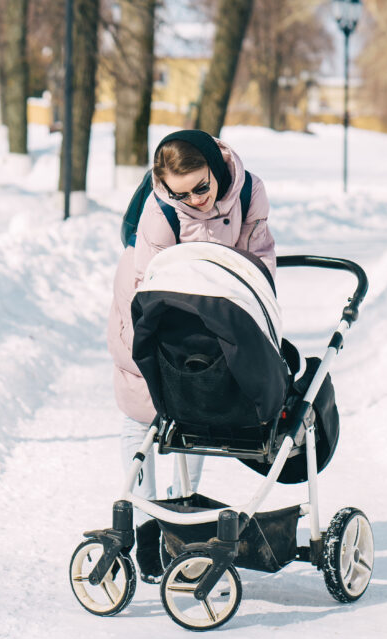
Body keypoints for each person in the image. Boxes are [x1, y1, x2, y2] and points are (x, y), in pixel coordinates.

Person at [107, 129, 277, 509]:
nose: (194, 202)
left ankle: (182, 501)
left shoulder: (249, 192)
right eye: (180, 194)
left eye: (200, 188)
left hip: (219, 302)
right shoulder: (160, 210)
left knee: (201, 405)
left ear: (215, 167)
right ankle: (146, 514)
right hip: (149, 298)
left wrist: (257, 319)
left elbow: (257, 254)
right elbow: (148, 284)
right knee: (142, 408)